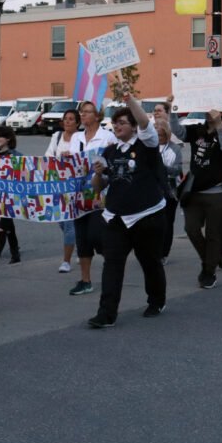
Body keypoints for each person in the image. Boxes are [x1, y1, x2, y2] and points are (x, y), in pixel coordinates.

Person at [87, 79, 167, 328]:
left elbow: (145, 122)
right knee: (112, 265)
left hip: (146, 215)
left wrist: (128, 97)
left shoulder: (146, 144)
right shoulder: (111, 151)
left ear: (133, 127)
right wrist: (99, 173)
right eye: (115, 122)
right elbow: (98, 188)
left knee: (149, 261)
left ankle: (156, 300)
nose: (117, 126)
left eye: (122, 122)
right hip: (116, 218)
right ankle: (106, 314)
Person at [178, 108, 222, 289]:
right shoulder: (196, 130)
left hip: (217, 192)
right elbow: (178, 132)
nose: (209, 113)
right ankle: (210, 259)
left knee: (213, 234)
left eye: (213, 110)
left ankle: (209, 271)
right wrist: (171, 112)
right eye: (207, 110)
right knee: (191, 229)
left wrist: (219, 125)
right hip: (194, 191)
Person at [68, 100, 118, 296]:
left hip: (100, 194)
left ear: (97, 116)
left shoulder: (107, 137)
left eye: (87, 112)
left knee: (96, 234)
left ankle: (113, 262)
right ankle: (85, 279)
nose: (83, 115)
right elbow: (71, 163)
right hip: (78, 195)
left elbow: (112, 163)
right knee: (82, 239)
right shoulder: (76, 137)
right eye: (81, 112)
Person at [45, 109, 80, 273]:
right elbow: (48, 155)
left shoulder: (80, 138)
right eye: (65, 119)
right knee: (61, 221)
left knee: (69, 223)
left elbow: (83, 158)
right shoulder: (57, 136)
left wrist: (71, 157)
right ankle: (81, 243)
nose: (67, 122)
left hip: (74, 187)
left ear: (77, 123)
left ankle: (66, 261)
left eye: (71, 119)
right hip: (57, 184)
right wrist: (58, 160)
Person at [0, 126, 22, 265]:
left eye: (0, 136)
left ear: (8, 138)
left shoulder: (16, 156)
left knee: (2, 227)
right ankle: (15, 254)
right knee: (9, 228)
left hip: (12, 198)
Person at [154, 120, 183, 265]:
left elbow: (178, 169)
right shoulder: (149, 148)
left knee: (167, 223)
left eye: (161, 135)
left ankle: (164, 253)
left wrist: (162, 167)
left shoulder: (175, 149)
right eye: (156, 135)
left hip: (170, 192)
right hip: (152, 191)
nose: (158, 138)